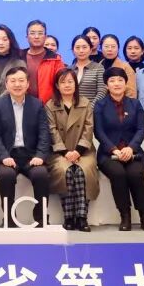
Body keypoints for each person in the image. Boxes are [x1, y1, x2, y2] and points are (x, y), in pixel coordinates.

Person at [94, 67, 144, 231]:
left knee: (135, 174)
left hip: (134, 153)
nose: (116, 84)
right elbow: (99, 131)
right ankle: (125, 216)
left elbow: (141, 129)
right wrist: (113, 149)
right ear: (106, 85)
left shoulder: (135, 104)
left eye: (120, 80)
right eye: (112, 80)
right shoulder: (100, 105)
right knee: (118, 173)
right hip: (108, 154)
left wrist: (131, 148)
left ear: (126, 83)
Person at [0, 66, 51, 226]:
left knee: (41, 175)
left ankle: (41, 217)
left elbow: (44, 133)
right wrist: (4, 156)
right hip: (8, 155)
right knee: (6, 176)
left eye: (21, 80)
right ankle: (9, 218)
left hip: (31, 156)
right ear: (7, 84)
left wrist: (40, 156)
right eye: (13, 81)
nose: (17, 84)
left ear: (28, 83)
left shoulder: (37, 104)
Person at [46, 68, 99, 232]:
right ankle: (68, 216)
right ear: (57, 85)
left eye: (70, 81)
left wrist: (78, 151)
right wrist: (65, 152)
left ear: (76, 84)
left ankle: (82, 217)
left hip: (84, 150)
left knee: (82, 171)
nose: (67, 85)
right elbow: (52, 131)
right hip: (59, 152)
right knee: (66, 171)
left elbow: (89, 128)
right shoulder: (50, 105)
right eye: (63, 82)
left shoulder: (85, 103)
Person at [22, 20, 64, 104]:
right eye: (32, 33)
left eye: (40, 33)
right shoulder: (19, 57)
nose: (36, 36)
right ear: (27, 37)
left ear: (45, 37)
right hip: (21, 105)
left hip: (48, 106)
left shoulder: (55, 59)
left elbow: (61, 84)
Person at [69, 35, 106, 106]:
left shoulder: (99, 68)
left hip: (92, 110)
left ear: (91, 49)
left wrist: (89, 109)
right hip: (71, 110)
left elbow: (102, 92)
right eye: (77, 47)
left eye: (84, 47)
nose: (81, 51)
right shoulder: (68, 70)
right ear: (73, 50)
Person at [99, 34, 137, 100]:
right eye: (106, 46)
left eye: (113, 46)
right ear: (101, 48)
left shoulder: (125, 67)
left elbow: (131, 93)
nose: (110, 49)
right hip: (99, 104)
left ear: (118, 48)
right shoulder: (98, 66)